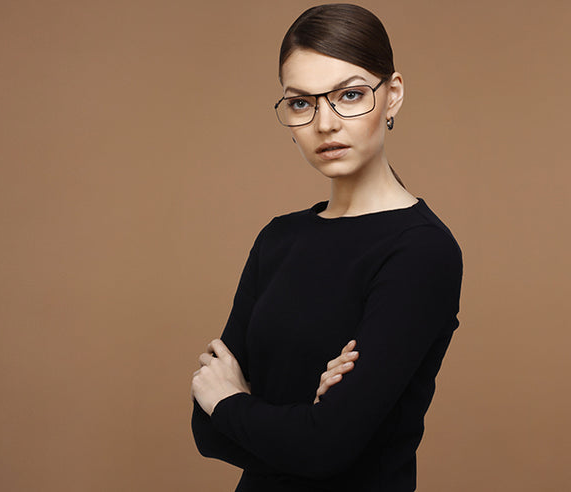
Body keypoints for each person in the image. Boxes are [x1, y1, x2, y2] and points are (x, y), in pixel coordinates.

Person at [190, 4, 463, 491]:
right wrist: (304, 422)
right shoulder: (279, 238)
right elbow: (207, 432)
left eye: (350, 95)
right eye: (301, 103)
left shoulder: (421, 252)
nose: (325, 124)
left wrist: (233, 402)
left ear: (393, 95)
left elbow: (324, 448)